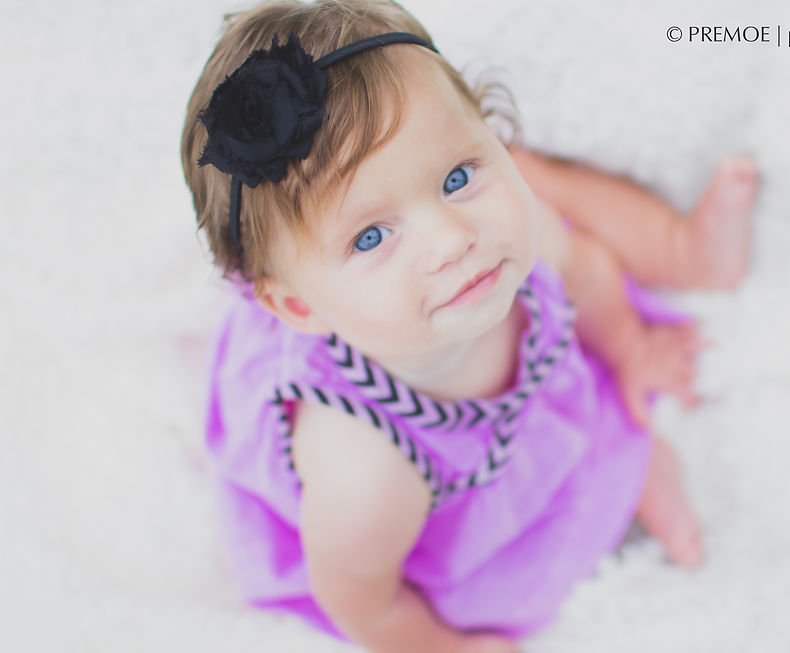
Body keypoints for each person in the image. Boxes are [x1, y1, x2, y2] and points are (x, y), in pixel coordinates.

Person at [180, 1, 758, 651]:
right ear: (301, 310)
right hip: (439, 485)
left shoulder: (508, 242)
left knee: (546, 196)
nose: (452, 239)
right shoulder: (363, 473)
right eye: (371, 237)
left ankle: (679, 258)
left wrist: (629, 345)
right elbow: (364, 602)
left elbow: (587, 270)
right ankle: (623, 477)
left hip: (516, 402)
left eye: (456, 177)